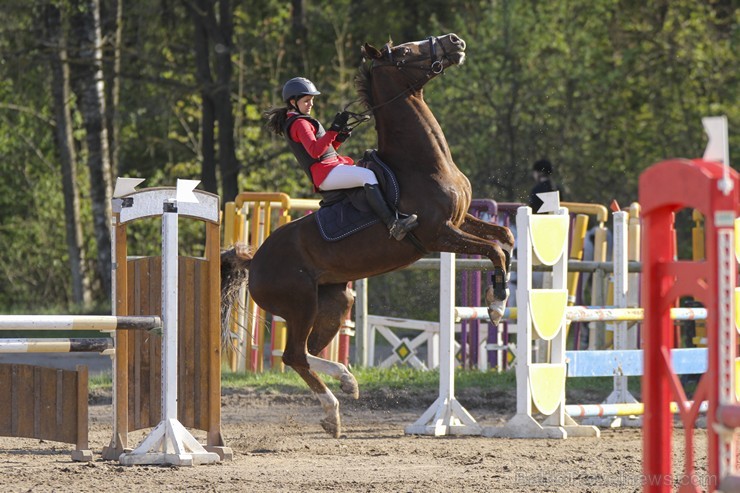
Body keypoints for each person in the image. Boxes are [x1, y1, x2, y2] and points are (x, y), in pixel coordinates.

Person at [264, 77, 418, 241]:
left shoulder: (300, 120)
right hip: (324, 174)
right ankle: (393, 224)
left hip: (329, 168)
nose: (311, 104)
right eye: (307, 100)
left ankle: (392, 213)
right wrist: (333, 130)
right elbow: (315, 152)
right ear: (293, 102)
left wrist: (339, 137)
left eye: (312, 100)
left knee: (370, 168)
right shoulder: (299, 123)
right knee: (367, 176)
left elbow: (326, 152)